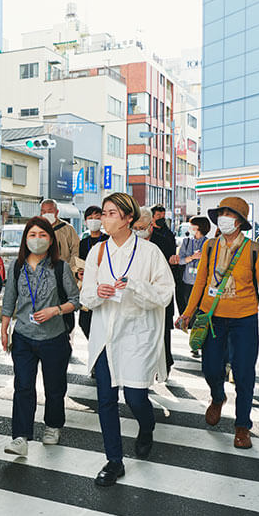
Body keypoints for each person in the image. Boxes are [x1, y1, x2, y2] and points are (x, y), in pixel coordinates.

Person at [81, 192, 174, 487]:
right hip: (106, 334)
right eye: (102, 213)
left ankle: (147, 427)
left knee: (135, 397)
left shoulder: (149, 253)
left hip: (137, 334)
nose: (102, 218)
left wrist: (133, 286)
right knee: (106, 400)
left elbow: (165, 293)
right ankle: (114, 461)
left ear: (128, 219)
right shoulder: (97, 251)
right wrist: (99, 293)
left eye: (110, 213)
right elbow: (85, 295)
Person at [176, 196, 259, 451]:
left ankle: (242, 426)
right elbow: (201, 282)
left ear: (240, 222)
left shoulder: (254, 250)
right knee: (210, 368)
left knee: (244, 374)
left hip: (244, 319)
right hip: (212, 318)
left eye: (230, 214)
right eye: (222, 213)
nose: (224, 218)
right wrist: (187, 313)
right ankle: (217, 397)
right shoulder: (210, 246)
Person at [0, 216, 80, 457]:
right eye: (32, 235)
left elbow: (75, 301)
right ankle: (20, 437)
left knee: (54, 387)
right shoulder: (16, 266)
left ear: (51, 239)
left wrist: (55, 310)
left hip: (54, 338)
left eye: (42, 235)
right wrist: (4, 330)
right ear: (26, 239)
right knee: (23, 386)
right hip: (23, 336)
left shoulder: (61, 267)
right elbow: (10, 301)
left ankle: (53, 424)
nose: (37, 239)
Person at [133, 207, 176, 373]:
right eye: (135, 228)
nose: (138, 231)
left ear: (151, 225)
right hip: (138, 295)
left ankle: (165, 363)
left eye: (142, 228)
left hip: (159, 293)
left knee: (162, 331)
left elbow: (170, 268)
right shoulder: (131, 242)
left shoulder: (163, 240)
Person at [175, 216, 210, 356]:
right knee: (190, 314)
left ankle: (197, 343)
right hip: (187, 283)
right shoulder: (186, 242)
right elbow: (181, 261)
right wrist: (192, 258)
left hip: (202, 284)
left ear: (199, 227)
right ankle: (195, 342)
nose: (190, 228)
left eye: (192, 226)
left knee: (201, 315)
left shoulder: (209, 243)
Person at [77, 205, 108, 340]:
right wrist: (78, 273)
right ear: (85, 221)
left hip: (104, 283)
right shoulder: (83, 243)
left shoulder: (108, 240)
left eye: (97, 217)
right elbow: (78, 263)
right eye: (90, 218)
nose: (93, 221)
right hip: (87, 285)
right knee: (84, 322)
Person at [40, 199, 80, 275]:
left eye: (50, 211)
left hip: (63, 272)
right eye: (43, 211)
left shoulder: (67, 229)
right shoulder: (37, 229)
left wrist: (69, 269)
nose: (46, 214)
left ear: (57, 212)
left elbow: (76, 251)